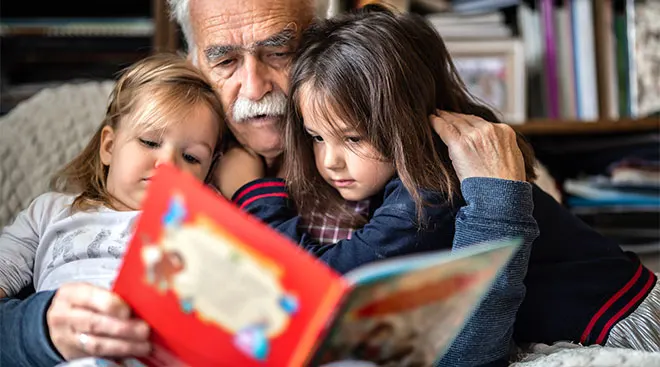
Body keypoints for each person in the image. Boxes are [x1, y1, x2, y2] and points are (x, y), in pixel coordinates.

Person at [216, 4, 660, 365]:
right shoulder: (411, 177)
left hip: (628, 329)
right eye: (316, 137)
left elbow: (322, 285)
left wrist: (253, 193)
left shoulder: (432, 190)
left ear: (405, 122)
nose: (329, 160)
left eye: (353, 138)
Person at [0, 52, 226, 365]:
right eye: (149, 142)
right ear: (109, 146)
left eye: (192, 158)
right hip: (71, 350)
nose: (168, 164)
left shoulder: (200, 223)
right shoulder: (51, 211)